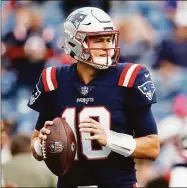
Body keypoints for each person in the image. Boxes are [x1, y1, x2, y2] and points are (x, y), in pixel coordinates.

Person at [28, 7, 160, 188]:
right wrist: (40, 146)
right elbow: (35, 146)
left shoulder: (129, 77)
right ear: (75, 42)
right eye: (98, 40)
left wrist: (111, 139)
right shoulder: (53, 80)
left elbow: (153, 147)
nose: (107, 47)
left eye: (109, 39)